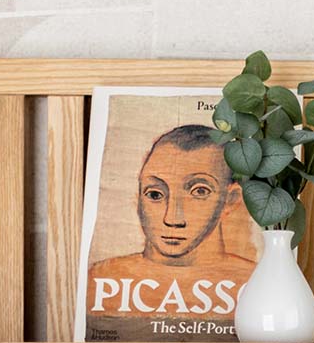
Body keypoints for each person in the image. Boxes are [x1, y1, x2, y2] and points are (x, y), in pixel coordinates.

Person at [86, 124, 255, 332]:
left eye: (199, 191)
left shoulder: (257, 282)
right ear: (138, 200)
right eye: (155, 194)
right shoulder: (100, 278)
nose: (173, 218)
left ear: (230, 200)